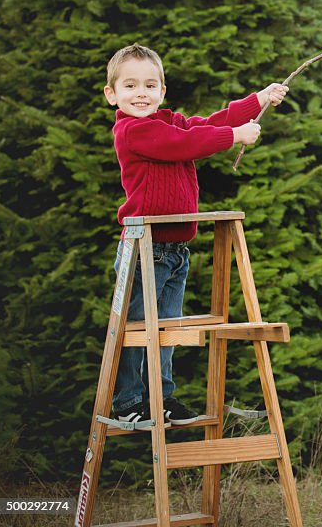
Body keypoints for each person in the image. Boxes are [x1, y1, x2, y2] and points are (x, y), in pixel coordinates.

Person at [103, 43, 287, 426]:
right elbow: (184, 145)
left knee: (168, 330)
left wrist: (259, 100)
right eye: (131, 86)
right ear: (112, 95)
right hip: (144, 248)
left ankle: (161, 399)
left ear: (162, 92)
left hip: (174, 251)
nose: (141, 93)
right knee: (137, 329)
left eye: (150, 86)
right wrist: (235, 136)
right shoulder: (133, 131)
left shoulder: (170, 122)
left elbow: (208, 124)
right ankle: (128, 402)